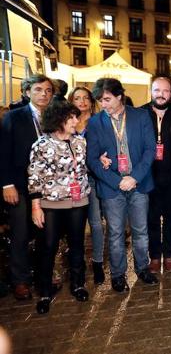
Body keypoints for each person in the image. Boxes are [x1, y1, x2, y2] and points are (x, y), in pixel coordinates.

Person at [86, 78, 158, 293]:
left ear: (119, 96)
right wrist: (118, 181)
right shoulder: (95, 122)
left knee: (141, 231)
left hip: (138, 183)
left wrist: (134, 177)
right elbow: (92, 159)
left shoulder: (141, 116)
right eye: (100, 100)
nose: (103, 104)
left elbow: (149, 150)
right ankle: (118, 275)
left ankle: (143, 268)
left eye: (107, 99)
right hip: (111, 187)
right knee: (116, 233)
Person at [28, 101, 91, 314]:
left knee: (77, 245)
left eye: (77, 117)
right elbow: (34, 177)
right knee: (48, 247)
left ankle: (78, 284)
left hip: (78, 201)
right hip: (50, 204)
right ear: (58, 120)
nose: (76, 121)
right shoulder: (42, 145)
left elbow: (85, 167)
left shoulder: (80, 142)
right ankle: (44, 292)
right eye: (71, 118)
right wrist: (36, 207)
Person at [0, 74, 54, 300]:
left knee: (47, 233)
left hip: (49, 186)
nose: (44, 94)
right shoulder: (14, 117)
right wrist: (6, 184)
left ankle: (45, 275)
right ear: (27, 92)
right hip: (20, 186)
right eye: (39, 89)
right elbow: (2, 152)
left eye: (48, 90)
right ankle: (20, 280)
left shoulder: (54, 116)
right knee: (21, 233)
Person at [142, 77, 171, 274]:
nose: (161, 94)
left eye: (165, 91)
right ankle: (154, 257)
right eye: (157, 90)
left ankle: (169, 256)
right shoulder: (140, 114)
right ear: (151, 91)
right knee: (151, 219)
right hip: (147, 177)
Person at [68, 86, 106, 285]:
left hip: (94, 177)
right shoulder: (67, 122)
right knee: (74, 224)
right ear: (71, 101)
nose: (81, 101)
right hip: (72, 181)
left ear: (91, 101)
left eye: (85, 98)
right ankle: (76, 263)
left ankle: (98, 262)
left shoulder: (99, 122)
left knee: (96, 223)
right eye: (77, 98)